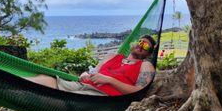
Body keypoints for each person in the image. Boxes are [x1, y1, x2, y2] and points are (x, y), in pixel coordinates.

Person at [25, 35, 156, 96]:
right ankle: (10, 83)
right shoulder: (112, 56)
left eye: (145, 46)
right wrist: (86, 74)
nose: (140, 45)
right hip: (84, 84)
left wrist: (110, 80)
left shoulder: (145, 65)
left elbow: (139, 91)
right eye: (140, 42)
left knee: (64, 98)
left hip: (101, 96)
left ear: (148, 53)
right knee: (47, 79)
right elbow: (94, 71)